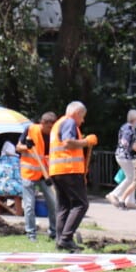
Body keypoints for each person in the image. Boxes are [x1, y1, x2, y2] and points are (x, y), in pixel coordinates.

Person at [49, 101, 98, 251]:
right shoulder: (69, 122)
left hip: (57, 170)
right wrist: (86, 141)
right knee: (81, 204)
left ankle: (60, 240)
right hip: (69, 169)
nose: (82, 121)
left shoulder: (58, 123)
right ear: (76, 113)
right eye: (82, 117)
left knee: (63, 206)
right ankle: (66, 238)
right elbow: (68, 143)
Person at [17, 112, 59, 244]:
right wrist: (27, 146)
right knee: (29, 205)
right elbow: (18, 147)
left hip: (45, 174)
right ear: (42, 123)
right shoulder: (30, 130)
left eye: (52, 128)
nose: (49, 130)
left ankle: (54, 232)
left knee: (53, 203)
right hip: (29, 173)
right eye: (48, 128)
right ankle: (31, 233)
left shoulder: (54, 135)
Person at [106, 109, 136, 208]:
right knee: (132, 178)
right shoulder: (129, 128)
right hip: (124, 156)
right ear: (135, 119)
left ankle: (129, 201)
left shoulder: (126, 127)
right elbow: (125, 142)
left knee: (132, 177)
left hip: (123, 156)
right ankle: (114, 194)